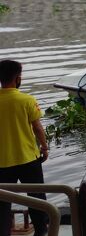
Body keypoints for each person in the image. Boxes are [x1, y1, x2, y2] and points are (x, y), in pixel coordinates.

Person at [0, 60, 49, 236]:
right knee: (37, 197)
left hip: (2, 162)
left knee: (2, 201)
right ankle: (41, 231)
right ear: (17, 78)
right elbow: (37, 127)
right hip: (28, 158)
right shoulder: (26, 100)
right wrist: (44, 147)